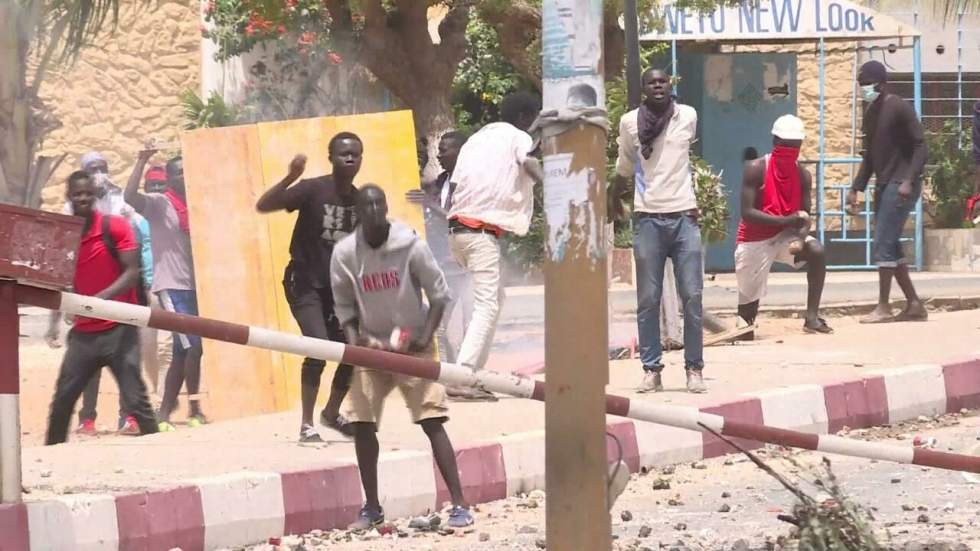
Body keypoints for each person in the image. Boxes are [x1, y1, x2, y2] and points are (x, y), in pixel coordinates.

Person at [331, 185, 473, 530]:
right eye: (368, 205)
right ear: (358, 212)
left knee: (431, 420)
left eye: (380, 203)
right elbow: (345, 310)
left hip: (413, 345)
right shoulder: (346, 253)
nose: (375, 210)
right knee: (362, 424)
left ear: (387, 206)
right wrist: (356, 345)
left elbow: (439, 295)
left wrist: (424, 337)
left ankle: (459, 504)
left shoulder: (409, 244)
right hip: (371, 347)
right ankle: (372, 507)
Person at [255, 132, 361, 443]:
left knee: (354, 351)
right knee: (317, 347)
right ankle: (306, 424)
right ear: (331, 157)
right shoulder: (313, 189)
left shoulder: (359, 201)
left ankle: (332, 412)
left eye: (356, 153)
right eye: (343, 153)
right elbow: (264, 205)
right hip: (304, 284)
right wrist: (291, 176)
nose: (350, 158)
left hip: (339, 291)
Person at [45, 171, 159, 445]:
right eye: (76, 194)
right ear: (69, 197)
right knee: (62, 402)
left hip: (119, 331)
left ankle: (160, 452)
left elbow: (132, 272)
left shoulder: (115, 226)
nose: (82, 197)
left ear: (95, 195)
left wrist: (96, 302)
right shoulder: (64, 236)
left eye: (87, 193)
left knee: (136, 401)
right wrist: (53, 323)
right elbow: (58, 282)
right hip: (84, 336)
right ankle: (50, 460)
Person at [612, 68, 706, 394]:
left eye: (662, 81)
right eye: (651, 81)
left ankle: (695, 369)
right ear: (643, 88)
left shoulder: (687, 116)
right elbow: (624, 166)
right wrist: (612, 197)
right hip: (648, 219)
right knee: (648, 299)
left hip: (684, 218)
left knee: (692, 296)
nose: (657, 85)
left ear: (670, 85)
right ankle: (652, 370)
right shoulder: (629, 123)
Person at [446, 92, 543, 400]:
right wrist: (550, 184)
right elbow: (528, 162)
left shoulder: (476, 140)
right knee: (486, 305)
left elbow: (456, 185)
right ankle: (462, 376)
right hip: (480, 233)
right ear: (525, 117)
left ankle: (472, 375)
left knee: (493, 300)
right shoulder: (517, 137)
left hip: (457, 231)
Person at [125, 149, 205, 431]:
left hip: (197, 287)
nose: (184, 176)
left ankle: (165, 411)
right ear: (169, 178)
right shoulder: (160, 204)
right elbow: (130, 198)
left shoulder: (196, 204)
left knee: (185, 351)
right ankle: (194, 408)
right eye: (178, 172)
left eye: (187, 171)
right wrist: (141, 161)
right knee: (192, 346)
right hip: (172, 286)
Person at [847, 60, 929, 324]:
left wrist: (909, 179)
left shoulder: (898, 107)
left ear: (882, 84)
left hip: (901, 184)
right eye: (861, 85)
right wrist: (856, 188)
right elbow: (870, 157)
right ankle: (914, 304)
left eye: (868, 84)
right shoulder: (870, 114)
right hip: (884, 184)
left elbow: (920, 146)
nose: (864, 89)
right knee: (891, 244)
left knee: (883, 242)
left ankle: (883, 307)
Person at [735, 115, 832, 337]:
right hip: (754, 239)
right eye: (785, 145)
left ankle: (812, 318)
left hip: (784, 237)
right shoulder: (755, 168)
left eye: (795, 145)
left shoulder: (802, 176)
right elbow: (748, 213)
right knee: (745, 327)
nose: (789, 150)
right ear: (774, 141)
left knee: (816, 250)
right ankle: (746, 323)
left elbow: (805, 216)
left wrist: (800, 236)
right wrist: (785, 221)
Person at [406, 131, 474, 367]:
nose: (439, 154)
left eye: (444, 150)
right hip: (445, 264)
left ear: (462, 152)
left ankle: (469, 375)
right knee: (439, 322)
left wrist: (429, 205)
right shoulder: (441, 181)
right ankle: (450, 372)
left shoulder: (471, 181)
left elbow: (463, 219)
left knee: (471, 323)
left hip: (468, 264)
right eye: (437, 150)